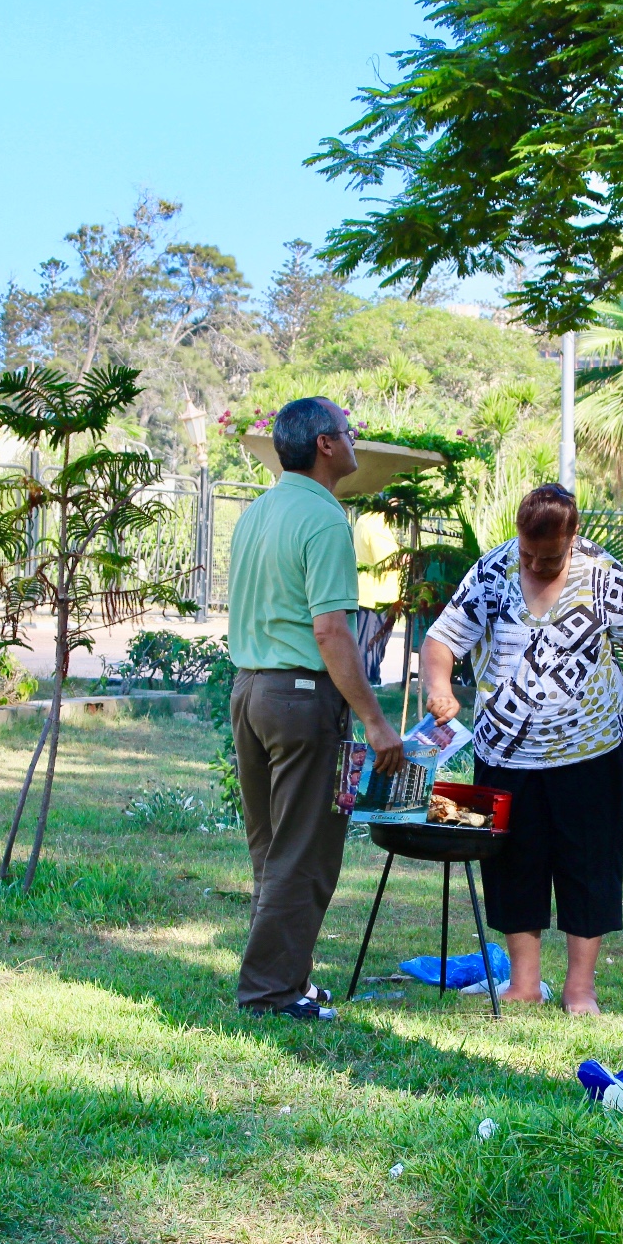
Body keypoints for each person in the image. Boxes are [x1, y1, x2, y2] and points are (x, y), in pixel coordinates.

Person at [420, 484, 623, 1015]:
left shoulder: (603, 577)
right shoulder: (493, 572)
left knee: (591, 865)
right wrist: (439, 686)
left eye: (550, 556)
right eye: (528, 553)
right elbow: (440, 641)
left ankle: (580, 989)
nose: (536, 564)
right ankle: (524, 984)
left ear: (572, 536)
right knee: (514, 865)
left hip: (592, 752)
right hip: (505, 753)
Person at [227, 396, 405, 1021]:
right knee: (304, 851)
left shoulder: (258, 511)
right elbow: (331, 631)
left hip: (249, 691)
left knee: (272, 848)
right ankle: (271, 993)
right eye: (348, 432)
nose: (355, 441)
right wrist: (375, 721)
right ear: (326, 445)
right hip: (300, 697)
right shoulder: (327, 518)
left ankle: (288, 977)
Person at [353, 510, 402, 686]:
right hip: (377, 598)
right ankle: (368, 687)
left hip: (371, 595)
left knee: (369, 647)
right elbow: (389, 560)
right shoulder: (376, 524)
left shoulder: (365, 519)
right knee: (370, 649)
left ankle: (368, 683)